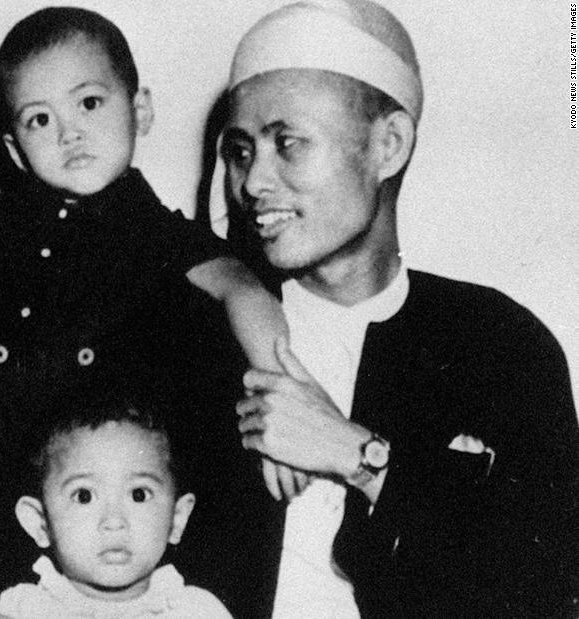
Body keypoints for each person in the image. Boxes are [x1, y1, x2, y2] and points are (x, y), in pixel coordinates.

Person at [0, 6, 287, 606]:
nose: (68, 132)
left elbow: (243, 291)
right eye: (39, 119)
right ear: (13, 147)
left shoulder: (161, 235)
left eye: (89, 104)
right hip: (3, 502)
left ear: (140, 110)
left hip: (108, 517)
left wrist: (283, 390)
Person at [215, 0, 579, 616]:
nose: (253, 182)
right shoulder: (205, 326)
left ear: (389, 145)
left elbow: (547, 580)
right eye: (242, 151)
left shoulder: (498, 344)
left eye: (289, 144)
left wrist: (361, 457)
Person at [0, 397, 231, 618]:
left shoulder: (197, 611)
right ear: (40, 522)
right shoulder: (22, 610)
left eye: (139, 494)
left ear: (177, 518)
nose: (114, 521)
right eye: (83, 496)